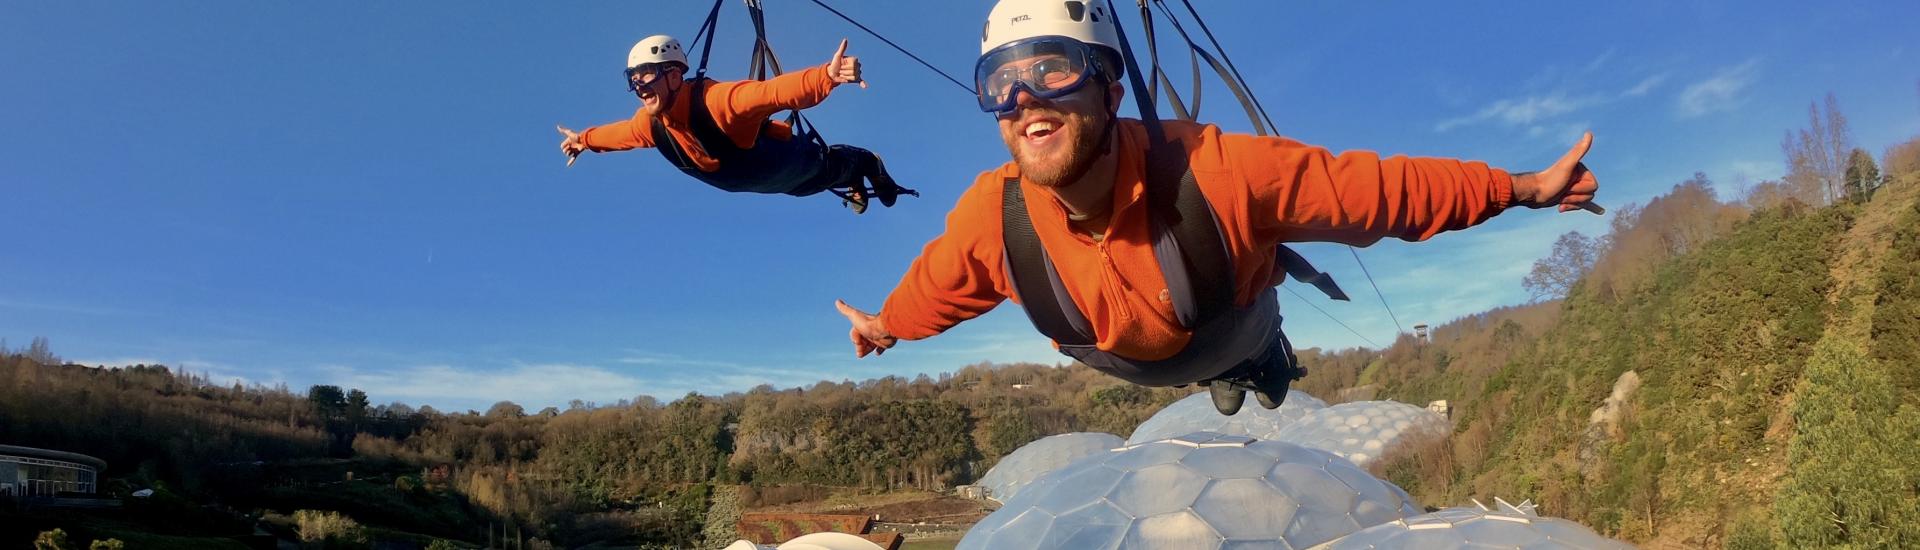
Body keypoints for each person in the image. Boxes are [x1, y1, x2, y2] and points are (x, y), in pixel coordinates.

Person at [833, 0, 1601, 415]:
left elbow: (1379, 191)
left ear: (1109, 86)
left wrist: (1522, 188)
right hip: (1133, 362)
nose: (1025, 97)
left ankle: (1262, 364)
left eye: (1053, 70)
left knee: (1249, 347)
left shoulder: (1216, 170)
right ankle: (1222, 375)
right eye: (1001, 81)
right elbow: (933, 287)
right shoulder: (990, 219)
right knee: (1192, 357)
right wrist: (883, 325)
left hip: (1230, 319)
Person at [558, 35, 916, 214]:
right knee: (808, 188)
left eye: (646, 75)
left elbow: (773, 93)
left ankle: (868, 163)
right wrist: (583, 140)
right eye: (633, 79)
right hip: (773, 183)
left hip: (789, 161)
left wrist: (827, 76)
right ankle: (851, 178)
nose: (639, 86)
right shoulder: (650, 125)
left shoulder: (718, 102)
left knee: (826, 169)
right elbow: (617, 135)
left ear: (673, 75)